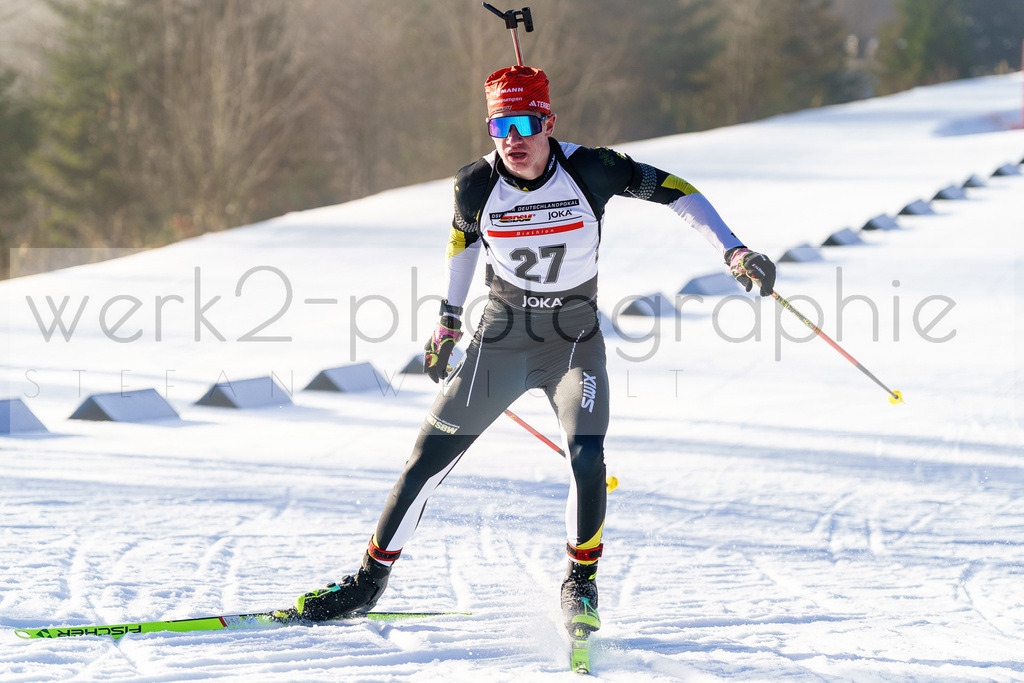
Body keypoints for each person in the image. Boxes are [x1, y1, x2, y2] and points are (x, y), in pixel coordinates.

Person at [295, 65, 776, 633]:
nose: (513, 139)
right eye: (500, 126)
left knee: (586, 458)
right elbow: (462, 238)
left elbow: (678, 192)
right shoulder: (476, 182)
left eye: (525, 123)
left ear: (548, 121)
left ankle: (581, 586)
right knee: (424, 463)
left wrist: (735, 251)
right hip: (500, 340)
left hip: (572, 345)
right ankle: (364, 586)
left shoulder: (592, 168)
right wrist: (447, 322)